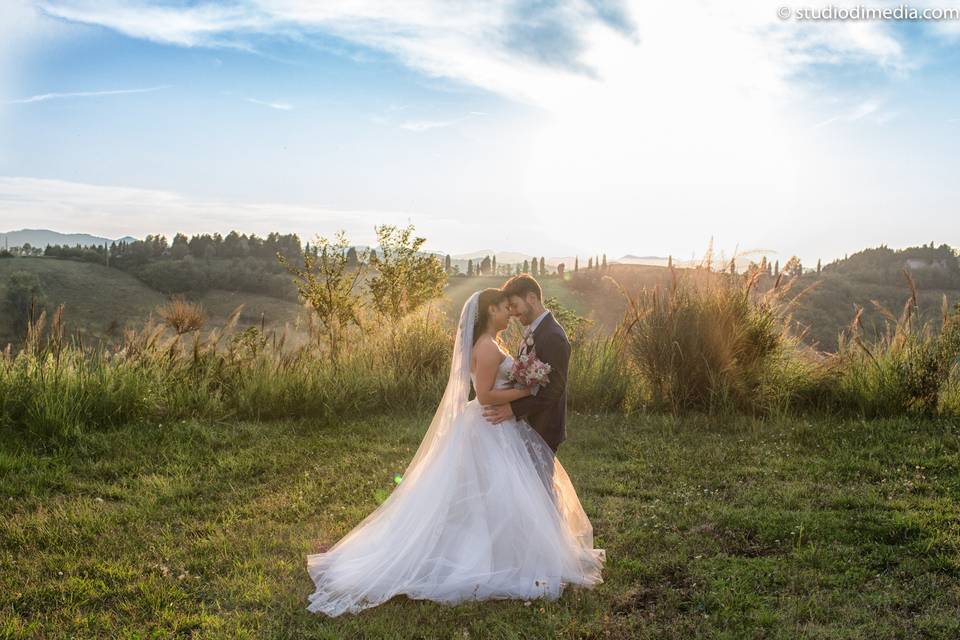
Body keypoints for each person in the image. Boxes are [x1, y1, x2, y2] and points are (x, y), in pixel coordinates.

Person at [305, 288, 604, 616]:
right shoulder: (488, 347)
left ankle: (515, 550)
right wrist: (527, 388)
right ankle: (500, 557)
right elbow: (487, 396)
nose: (511, 314)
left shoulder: (492, 343)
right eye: (506, 308)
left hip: (495, 426)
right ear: (491, 310)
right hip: (491, 424)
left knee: (499, 495)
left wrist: (523, 389)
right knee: (498, 493)